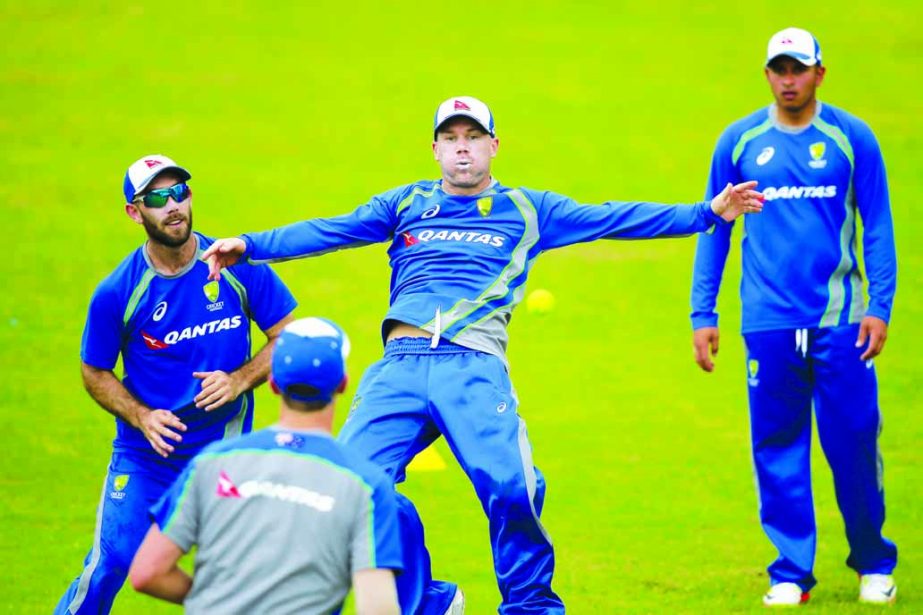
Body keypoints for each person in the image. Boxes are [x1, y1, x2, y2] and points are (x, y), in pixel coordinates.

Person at [202, 96, 764, 614]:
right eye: (451, 137)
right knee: (349, 487)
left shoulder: (528, 208)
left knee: (512, 487)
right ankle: (429, 600)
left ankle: (530, 606)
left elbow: (612, 217)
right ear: (436, 149)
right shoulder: (405, 203)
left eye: (474, 135)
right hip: (398, 367)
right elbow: (332, 230)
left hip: (472, 367)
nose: (463, 146)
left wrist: (706, 213)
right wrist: (251, 245)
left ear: (495, 144)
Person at [690, 27, 898, 607]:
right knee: (777, 446)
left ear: (819, 74)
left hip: (841, 321)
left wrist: (879, 305)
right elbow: (715, 228)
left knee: (854, 441)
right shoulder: (739, 142)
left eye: (798, 69)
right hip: (768, 323)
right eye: (778, 69)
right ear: (767, 74)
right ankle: (790, 571)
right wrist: (702, 311)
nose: (788, 80)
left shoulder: (851, 138)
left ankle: (873, 561)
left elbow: (878, 227)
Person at [54, 155, 297, 614]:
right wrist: (142, 417)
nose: (174, 206)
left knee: (240, 572)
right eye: (158, 198)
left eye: (180, 192)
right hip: (147, 454)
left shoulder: (235, 265)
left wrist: (240, 380)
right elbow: (95, 370)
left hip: (221, 450)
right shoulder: (118, 293)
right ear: (135, 211)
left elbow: (288, 335)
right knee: (111, 563)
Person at [129, 317, 402, 614]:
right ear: (342, 384)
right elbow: (378, 607)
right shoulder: (366, 484)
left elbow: (148, 572)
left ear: (273, 384)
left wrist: (222, 600)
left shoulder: (211, 463)